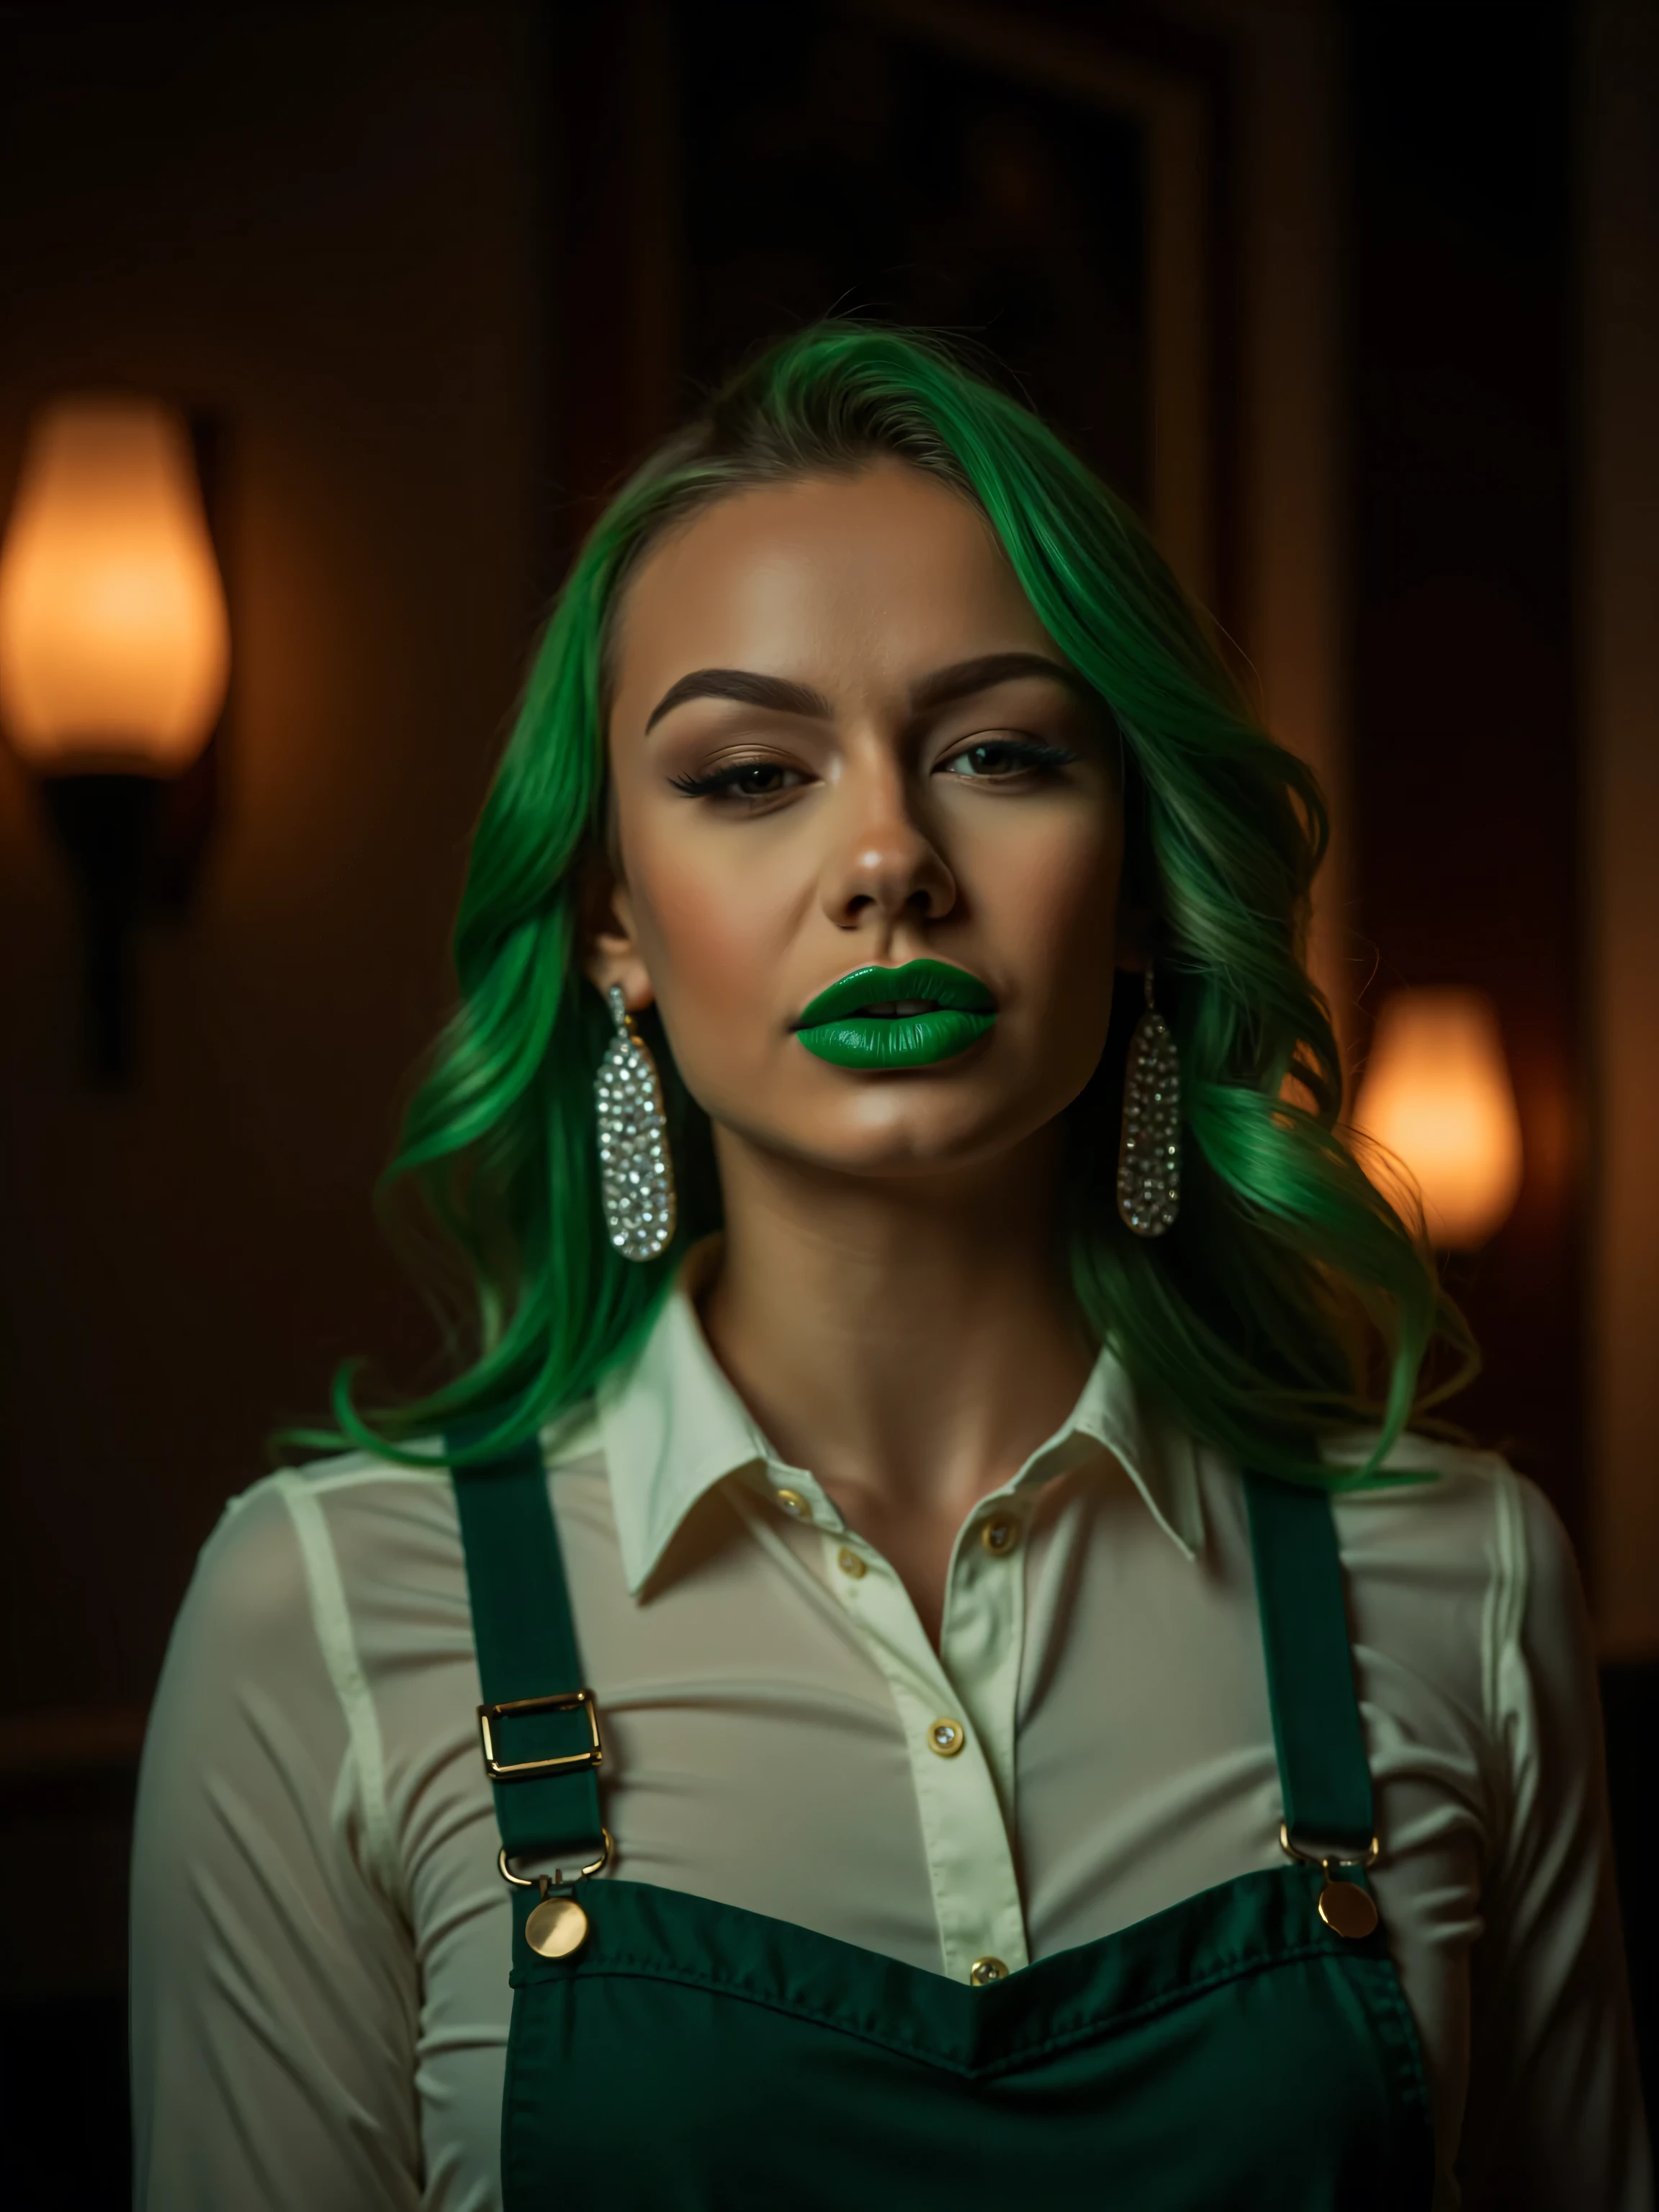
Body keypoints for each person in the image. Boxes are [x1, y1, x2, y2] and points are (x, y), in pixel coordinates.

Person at [130, 325, 1650, 2209]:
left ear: (1144, 880)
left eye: (1000, 752)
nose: (886, 860)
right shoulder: (328, 1616)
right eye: (751, 774)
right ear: (615, 920)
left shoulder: (1460, 1580)